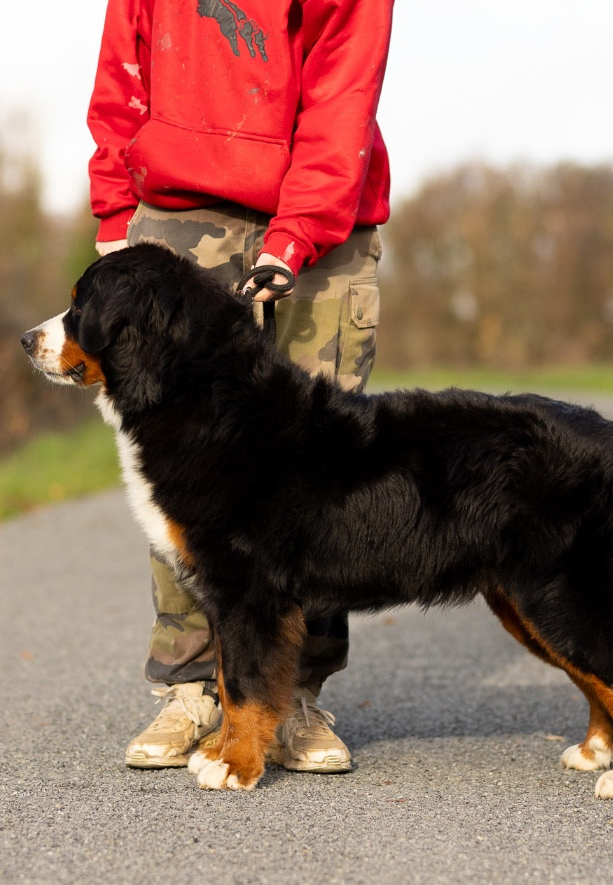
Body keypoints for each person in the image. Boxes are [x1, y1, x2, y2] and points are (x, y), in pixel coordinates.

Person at [87, 0, 395, 774]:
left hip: (324, 220)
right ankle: (192, 687)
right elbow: (124, 65)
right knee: (180, 454)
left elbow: (343, 90)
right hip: (180, 216)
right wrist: (117, 210)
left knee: (319, 468)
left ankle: (294, 695)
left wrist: (298, 230)